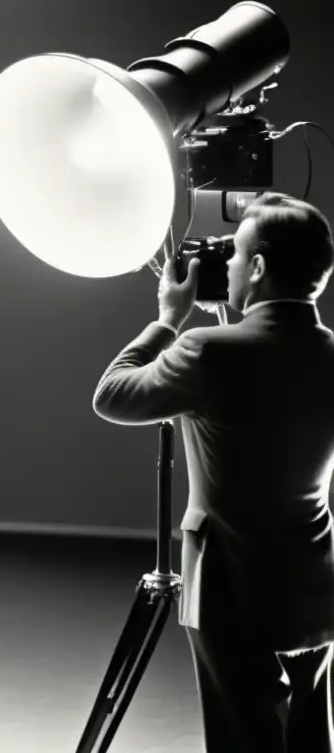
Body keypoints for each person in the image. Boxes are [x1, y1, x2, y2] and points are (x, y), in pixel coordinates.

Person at [92, 192, 334, 752]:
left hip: (230, 586)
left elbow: (111, 395)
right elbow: (267, 378)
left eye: (234, 254)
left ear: (258, 267)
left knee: (242, 736)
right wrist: (233, 317)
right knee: (307, 738)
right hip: (313, 580)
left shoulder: (205, 351)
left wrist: (167, 322)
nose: (222, 263)